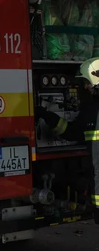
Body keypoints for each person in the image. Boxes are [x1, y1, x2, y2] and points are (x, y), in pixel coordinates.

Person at [36, 56, 99, 224]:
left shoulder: (92, 111)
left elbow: (72, 133)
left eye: (87, 82)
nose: (85, 86)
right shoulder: (91, 110)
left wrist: (46, 115)